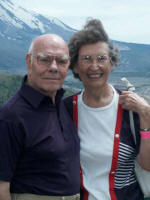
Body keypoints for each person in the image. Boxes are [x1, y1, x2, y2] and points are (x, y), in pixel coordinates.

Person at [64, 19, 150, 200]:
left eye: (101, 59)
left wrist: (146, 115)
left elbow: (147, 164)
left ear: (112, 63)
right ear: (76, 67)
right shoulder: (65, 109)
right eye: (86, 59)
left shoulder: (132, 107)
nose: (94, 66)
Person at [0, 34, 80, 200]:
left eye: (62, 61)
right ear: (29, 62)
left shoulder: (62, 106)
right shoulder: (11, 117)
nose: (53, 67)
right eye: (44, 59)